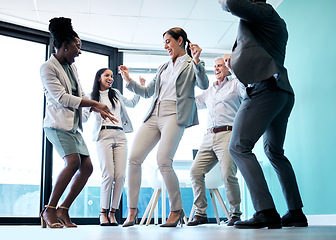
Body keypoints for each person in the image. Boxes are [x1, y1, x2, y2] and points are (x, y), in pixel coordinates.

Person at [218, 0, 308, 229]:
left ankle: (265, 211)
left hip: (264, 89)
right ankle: (295, 212)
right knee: (275, 152)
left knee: (238, 146)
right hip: (281, 92)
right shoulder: (274, 21)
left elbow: (230, 3)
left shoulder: (263, 12)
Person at [119, 27, 209, 227]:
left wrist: (197, 61)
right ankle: (132, 211)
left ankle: (176, 210)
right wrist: (128, 80)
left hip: (175, 114)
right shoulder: (163, 67)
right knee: (134, 159)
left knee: (163, 161)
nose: (165, 46)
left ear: (180, 40)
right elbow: (147, 91)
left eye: (168, 41)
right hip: (155, 113)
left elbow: (203, 85)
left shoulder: (191, 63)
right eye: (164, 43)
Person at [40, 17, 116, 228]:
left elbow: (79, 92)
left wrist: (95, 107)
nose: (79, 51)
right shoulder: (48, 68)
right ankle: (49, 210)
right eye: (77, 47)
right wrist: (93, 103)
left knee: (87, 167)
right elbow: (62, 98)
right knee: (73, 162)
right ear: (64, 47)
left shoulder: (71, 68)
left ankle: (63, 210)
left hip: (73, 126)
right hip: (56, 125)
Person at [188, 55, 246, 227]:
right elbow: (192, 103)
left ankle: (235, 214)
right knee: (195, 171)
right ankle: (201, 213)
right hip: (208, 136)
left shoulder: (235, 84)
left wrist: (235, 68)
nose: (217, 68)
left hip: (228, 134)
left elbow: (247, 89)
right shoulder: (210, 90)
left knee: (228, 174)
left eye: (220, 65)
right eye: (215, 66)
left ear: (228, 68)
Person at [82, 68, 140, 226]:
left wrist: (139, 88)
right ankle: (103, 213)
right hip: (104, 136)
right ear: (99, 77)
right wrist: (73, 106)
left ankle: (113, 213)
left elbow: (132, 103)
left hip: (121, 136)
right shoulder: (91, 97)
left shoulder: (115, 93)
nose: (111, 78)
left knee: (120, 176)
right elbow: (84, 118)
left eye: (112, 76)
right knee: (108, 174)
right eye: (107, 75)